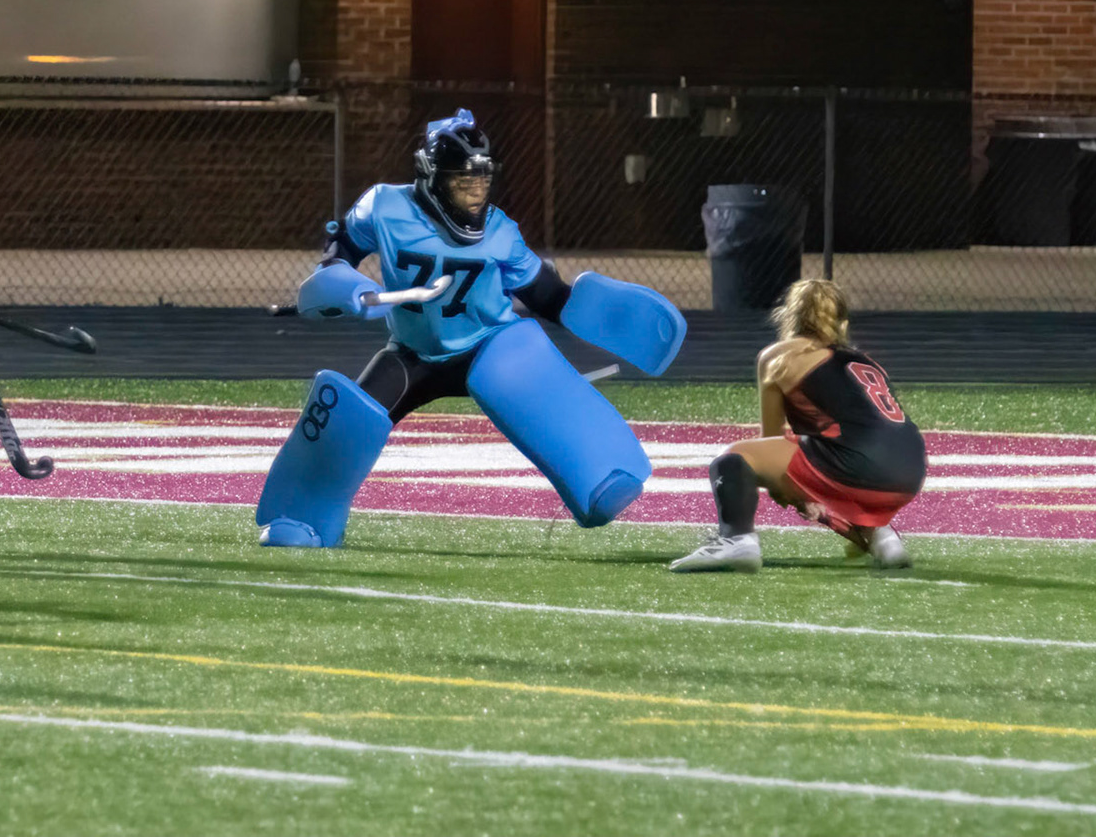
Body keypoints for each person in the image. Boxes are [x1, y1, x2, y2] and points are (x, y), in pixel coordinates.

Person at [253, 109, 686, 548]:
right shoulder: (385, 206)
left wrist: (606, 315)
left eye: (481, 181)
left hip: (489, 346)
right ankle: (303, 516)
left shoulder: (500, 232)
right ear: (431, 176)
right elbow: (341, 248)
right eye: (462, 182)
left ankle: (601, 472)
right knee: (351, 413)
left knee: (533, 376)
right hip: (414, 354)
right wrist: (338, 279)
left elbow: (548, 297)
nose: (475, 194)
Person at [671, 279, 922, 574]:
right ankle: (882, 537)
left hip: (856, 466)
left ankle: (736, 540)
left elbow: (771, 438)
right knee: (827, 464)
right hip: (911, 470)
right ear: (842, 320)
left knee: (735, 458)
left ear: (790, 315)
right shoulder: (866, 361)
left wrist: (792, 493)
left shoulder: (779, 355)